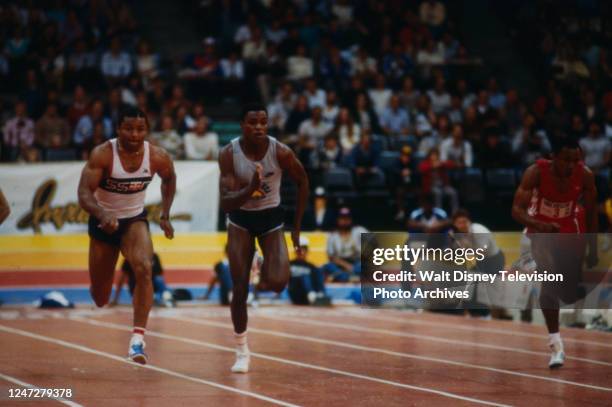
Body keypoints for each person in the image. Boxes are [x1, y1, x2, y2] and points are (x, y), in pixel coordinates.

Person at [77, 106, 176, 365]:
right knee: (101, 297)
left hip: (134, 220)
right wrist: (101, 214)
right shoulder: (102, 155)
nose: (134, 134)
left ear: (147, 131)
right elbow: (84, 194)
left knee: (145, 267)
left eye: (140, 129)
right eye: (129, 128)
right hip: (103, 223)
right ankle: (98, 286)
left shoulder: (157, 156)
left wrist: (165, 214)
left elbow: (169, 179)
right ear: (118, 129)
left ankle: (137, 341)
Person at [218, 103, 309, 373]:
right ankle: (241, 349)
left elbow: (303, 181)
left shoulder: (280, 152)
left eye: (263, 122)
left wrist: (296, 228)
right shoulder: (229, 154)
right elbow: (226, 203)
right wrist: (251, 189)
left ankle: (259, 259)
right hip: (240, 219)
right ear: (242, 125)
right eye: (252, 122)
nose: (258, 127)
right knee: (240, 288)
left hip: (271, 218)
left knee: (279, 283)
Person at [512, 137, 598, 368]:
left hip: (570, 228)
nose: (571, 165)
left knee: (569, 293)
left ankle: (531, 267)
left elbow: (591, 212)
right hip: (540, 228)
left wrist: (593, 246)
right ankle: (556, 344)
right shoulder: (535, 172)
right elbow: (517, 210)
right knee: (550, 283)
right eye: (566, 160)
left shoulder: (586, 175)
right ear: (553, 157)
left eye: (576, 160)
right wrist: (540, 226)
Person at [323, 207, 367, 282]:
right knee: (327, 267)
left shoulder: (359, 231)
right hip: (340, 264)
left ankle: (342, 277)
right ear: (338, 220)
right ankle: (351, 277)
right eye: (342, 218)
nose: (345, 221)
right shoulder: (333, 236)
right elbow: (331, 257)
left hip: (357, 262)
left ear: (351, 219)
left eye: (347, 218)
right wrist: (346, 266)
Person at [288, 237, 329, 305]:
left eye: (303, 250)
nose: (301, 252)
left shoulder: (311, 266)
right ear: (295, 251)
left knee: (319, 271)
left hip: (308, 295)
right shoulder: (289, 264)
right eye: (299, 250)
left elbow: (317, 280)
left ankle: (321, 295)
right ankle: (312, 295)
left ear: (307, 251)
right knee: (304, 277)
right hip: (295, 293)